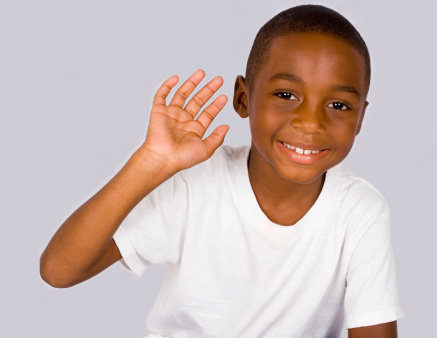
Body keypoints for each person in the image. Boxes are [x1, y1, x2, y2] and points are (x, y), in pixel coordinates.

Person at [40, 4, 405, 337]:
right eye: (286, 95)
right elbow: (59, 271)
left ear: (360, 120)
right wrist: (149, 164)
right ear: (243, 98)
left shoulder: (359, 211)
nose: (311, 123)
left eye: (339, 104)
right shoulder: (197, 183)